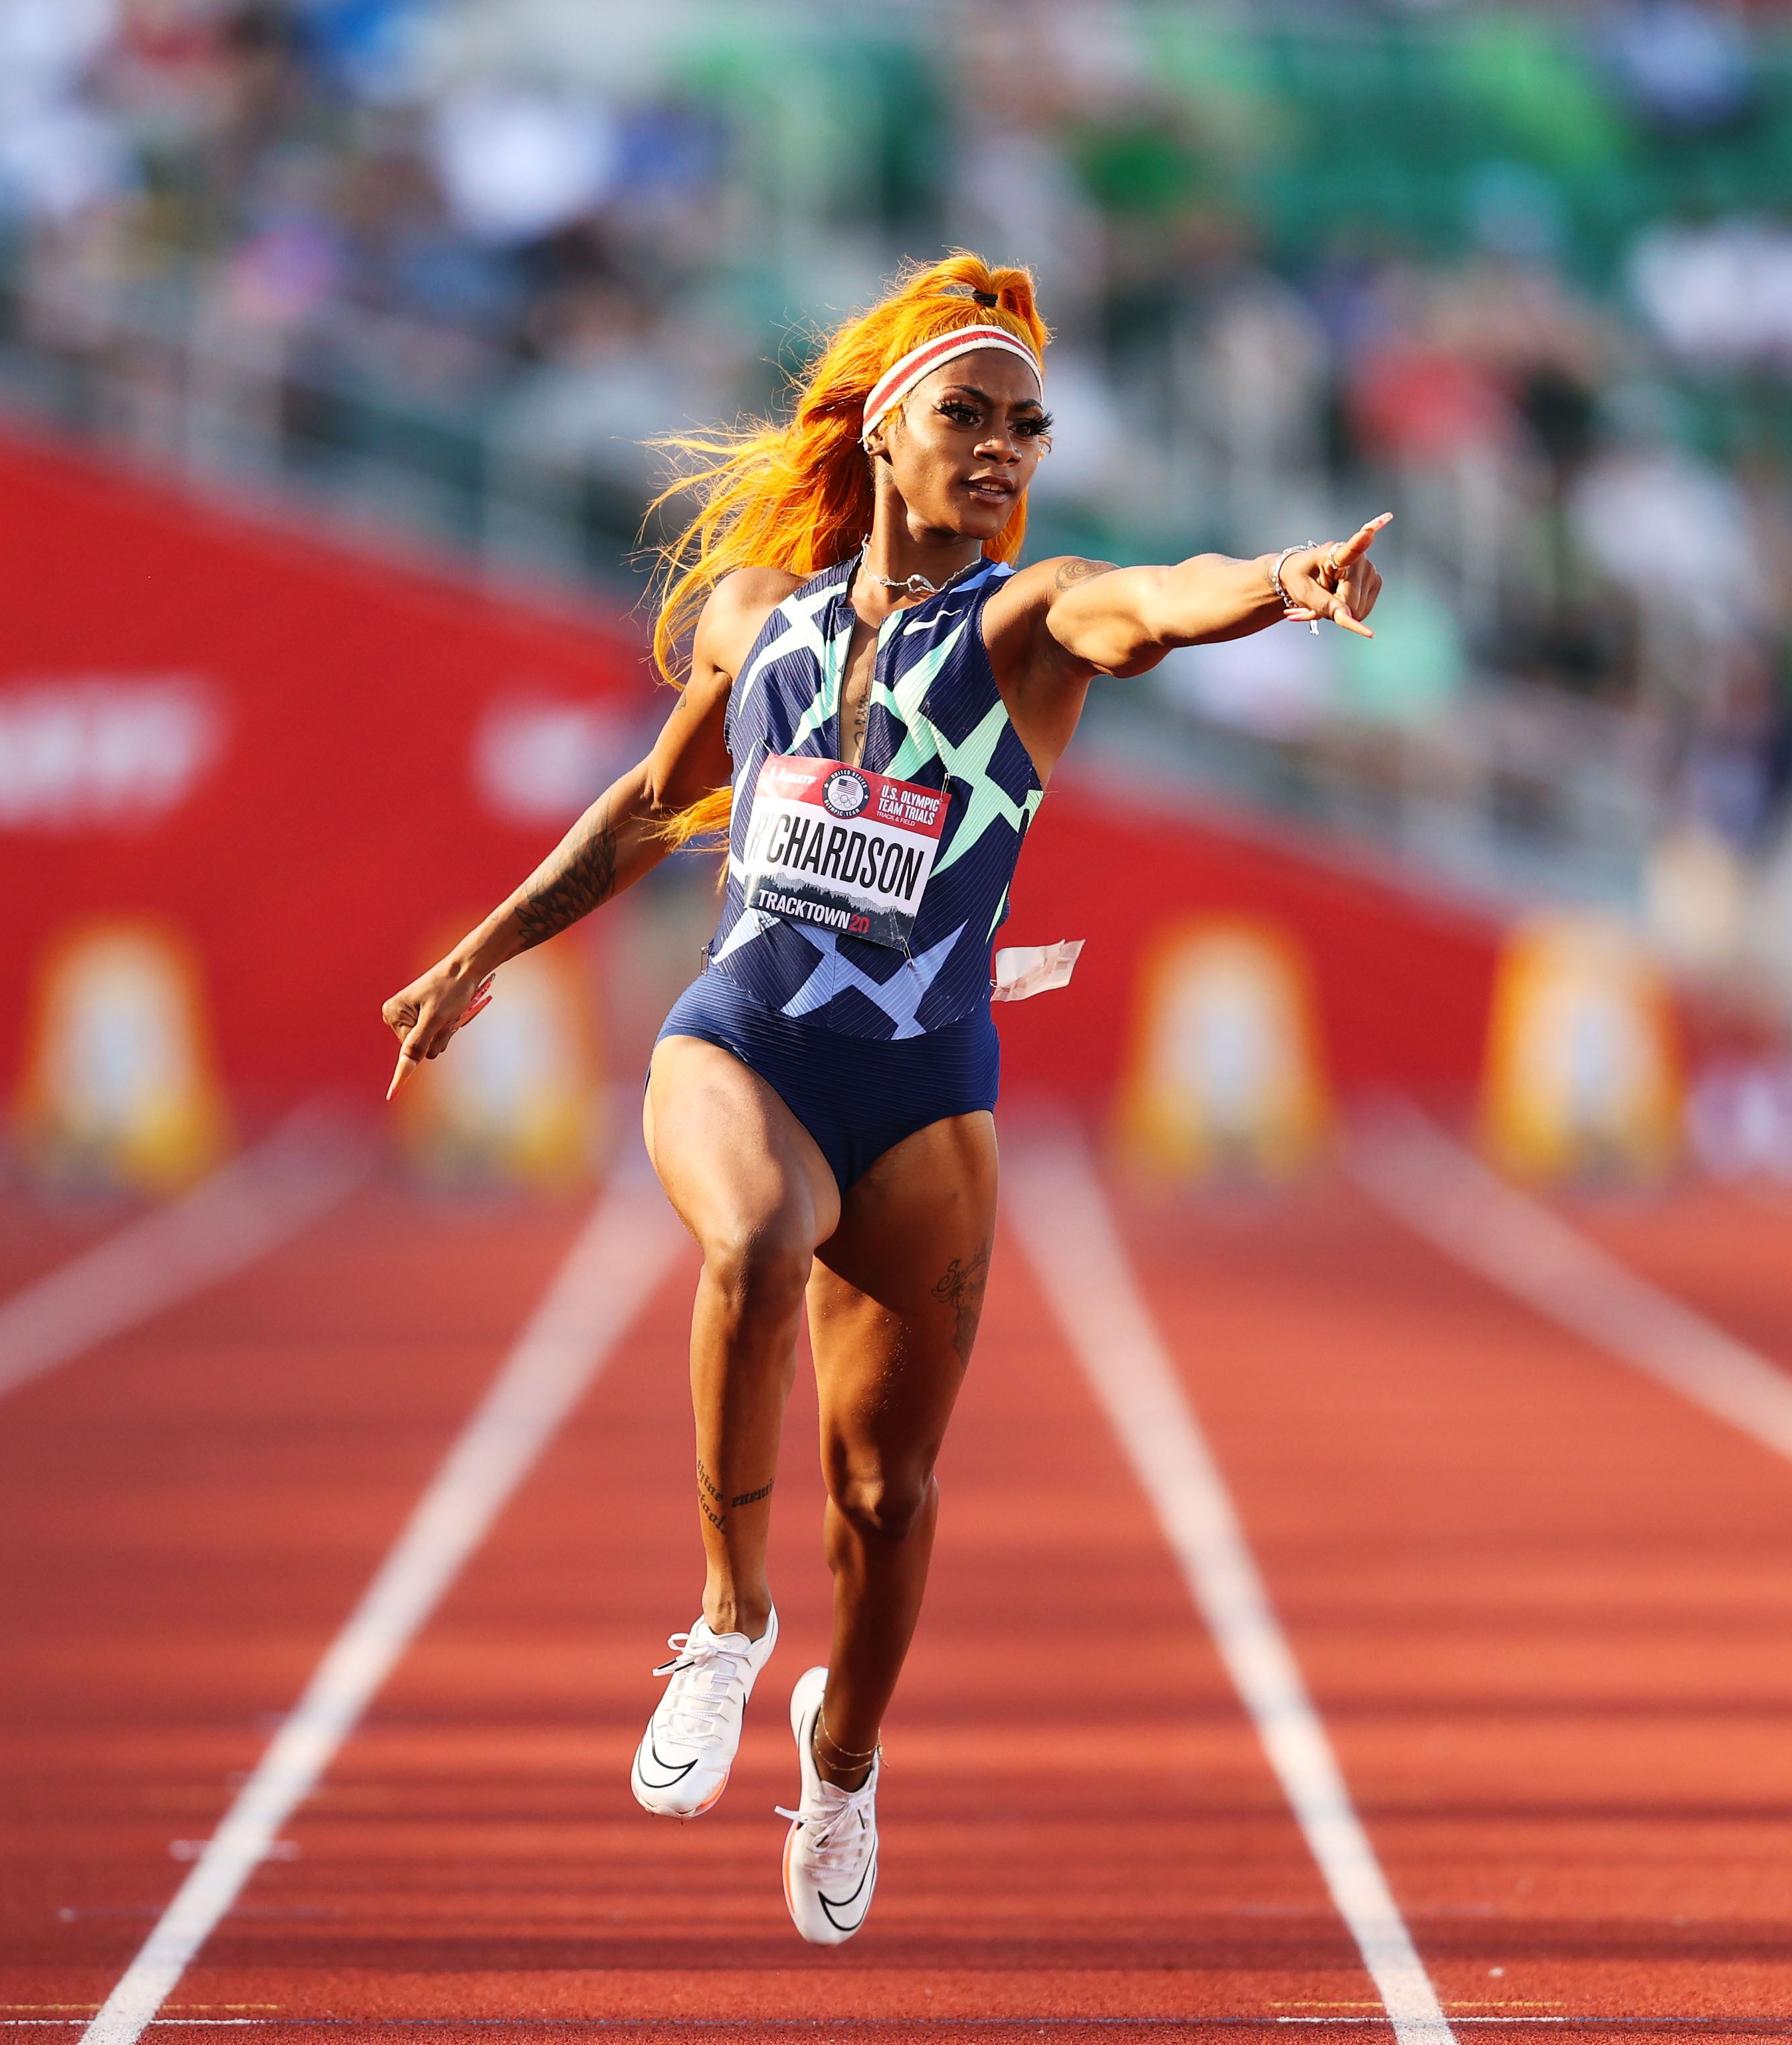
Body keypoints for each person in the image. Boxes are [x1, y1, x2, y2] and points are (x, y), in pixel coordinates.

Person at [381, 254, 1385, 1944]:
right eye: (967, 419)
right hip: (746, 1034)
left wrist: (1280, 582)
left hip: (922, 1088)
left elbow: (1158, 596)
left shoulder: (1026, 620)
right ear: (878, 434)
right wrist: (482, 952)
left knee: (887, 1497)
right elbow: (646, 804)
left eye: (1028, 429)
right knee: (753, 1243)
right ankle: (723, 1624)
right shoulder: (751, 617)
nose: (1002, 452)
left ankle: (839, 1759)